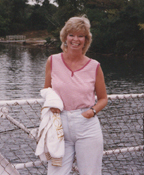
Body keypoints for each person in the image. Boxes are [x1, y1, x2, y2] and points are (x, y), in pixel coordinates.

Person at [44, 15, 108, 175]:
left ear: (86, 40)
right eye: (71, 34)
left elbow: (103, 99)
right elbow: (46, 91)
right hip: (59, 127)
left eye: (80, 36)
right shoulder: (52, 61)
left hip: (86, 126)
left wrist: (91, 112)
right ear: (65, 37)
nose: (75, 39)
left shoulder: (94, 66)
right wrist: (52, 107)